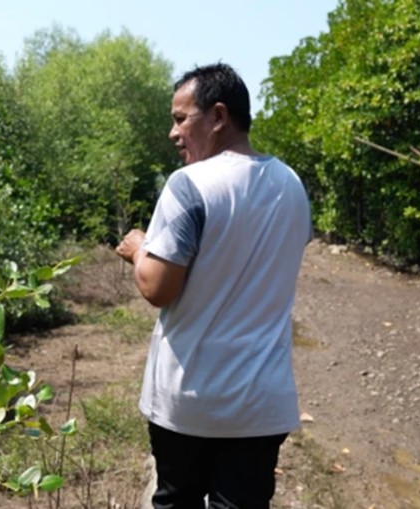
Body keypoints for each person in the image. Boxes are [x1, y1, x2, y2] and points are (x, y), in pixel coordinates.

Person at [115, 63, 312, 508]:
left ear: (218, 116)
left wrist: (140, 250)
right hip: (261, 403)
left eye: (180, 119)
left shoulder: (189, 185)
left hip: (191, 400)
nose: (173, 133)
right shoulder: (292, 184)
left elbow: (158, 289)